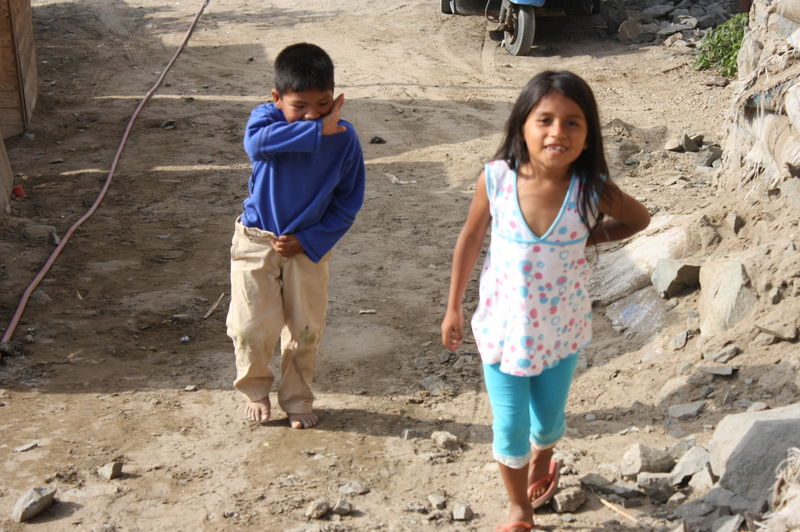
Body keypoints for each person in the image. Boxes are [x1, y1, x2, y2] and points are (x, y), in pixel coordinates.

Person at [440, 71, 650, 531]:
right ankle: (518, 507)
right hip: (502, 330)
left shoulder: (590, 189)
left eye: (573, 123)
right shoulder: (496, 180)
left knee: (549, 421)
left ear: (588, 135)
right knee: (510, 424)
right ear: (522, 128)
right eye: (545, 120)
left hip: (561, 330)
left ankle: (545, 455)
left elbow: (640, 219)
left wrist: (584, 239)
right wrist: (453, 306)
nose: (558, 132)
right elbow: (472, 237)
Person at [226, 42, 365, 429]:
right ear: (276, 99)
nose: (311, 115)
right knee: (251, 324)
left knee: (305, 329)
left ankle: (297, 398)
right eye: (299, 107)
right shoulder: (264, 123)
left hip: (307, 250)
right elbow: (256, 147)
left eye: (322, 105)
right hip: (256, 240)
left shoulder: (345, 140)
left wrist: (309, 239)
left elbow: (347, 202)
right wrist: (317, 129)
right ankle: (255, 389)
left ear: (335, 99)